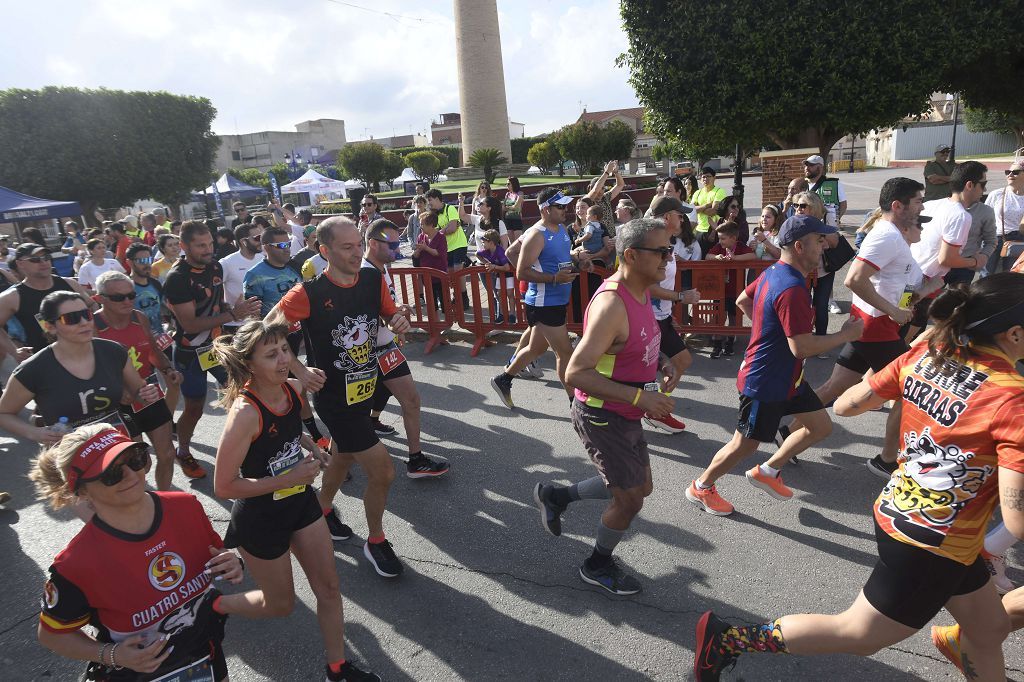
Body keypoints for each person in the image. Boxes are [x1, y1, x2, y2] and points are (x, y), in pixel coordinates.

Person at [694, 272, 1024, 682]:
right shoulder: (1012, 399)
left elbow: (848, 405)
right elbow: (1017, 521)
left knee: (989, 629)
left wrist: (917, 363)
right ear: (1013, 333)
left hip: (911, 516)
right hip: (932, 539)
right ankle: (726, 640)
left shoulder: (928, 355)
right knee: (860, 634)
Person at [211, 321, 381, 682]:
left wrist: (315, 449)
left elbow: (292, 432)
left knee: (330, 588)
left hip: (299, 503)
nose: (283, 359)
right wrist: (289, 478)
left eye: (285, 350)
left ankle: (337, 668)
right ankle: (215, 605)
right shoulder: (244, 414)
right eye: (271, 355)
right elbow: (224, 486)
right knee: (281, 605)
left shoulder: (290, 389)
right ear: (249, 364)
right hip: (260, 517)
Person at [33, 424, 248, 682]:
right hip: (136, 675)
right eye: (111, 473)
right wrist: (113, 655)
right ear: (81, 491)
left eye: (135, 460)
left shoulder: (186, 507)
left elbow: (218, 556)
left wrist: (232, 563)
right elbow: (51, 635)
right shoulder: (76, 565)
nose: (130, 475)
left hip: (205, 653)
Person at [533, 218, 677, 595]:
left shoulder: (644, 290)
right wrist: (640, 397)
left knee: (639, 487)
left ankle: (557, 496)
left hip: (625, 411)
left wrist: (661, 359)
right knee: (629, 499)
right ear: (631, 255)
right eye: (661, 251)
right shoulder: (612, 303)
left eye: (670, 248)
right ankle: (596, 564)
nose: (668, 257)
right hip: (602, 413)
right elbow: (577, 372)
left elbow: (635, 339)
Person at [685, 216, 863, 516]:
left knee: (820, 426)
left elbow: (744, 300)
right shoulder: (792, 288)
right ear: (799, 245)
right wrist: (845, 335)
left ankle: (768, 471)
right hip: (765, 382)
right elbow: (802, 347)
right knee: (743, 445)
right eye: (819, 241)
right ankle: (701, 487)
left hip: (789, 379)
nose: (824, 247)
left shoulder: (775, 272)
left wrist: (769, 331)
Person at [270, 216, 412, 579]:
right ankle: (376, 541)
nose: (357, 253)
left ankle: (322, 507)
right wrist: (298, 370)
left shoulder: (371, 279)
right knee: (383, 470)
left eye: (359, 245)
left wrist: (399, 320)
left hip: (362, 388)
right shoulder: (309, 292)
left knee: (342, 456)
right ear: (325, 250)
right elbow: (268, 331)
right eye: (347, 248)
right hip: (333, 397)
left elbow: (390, 314)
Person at [784, 179, 941, 476]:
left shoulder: (895, 236)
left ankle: (787, 432)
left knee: (835, 385)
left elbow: (894, 283)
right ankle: (887, 459)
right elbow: (854, 279)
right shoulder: (888, 236)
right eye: (918, 202)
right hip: (876, 326)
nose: (922, 207)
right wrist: (893, 310)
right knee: (910, 391)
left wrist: (928, 287)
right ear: (898, 206)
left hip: (871, 322)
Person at [164, 220, 262, 479]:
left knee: (243, 394)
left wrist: (237, 311)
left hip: (217, 347)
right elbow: (190, 323)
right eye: (200, 246)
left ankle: (250, 447)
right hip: (189, 352)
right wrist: (233, 313)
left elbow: (217, 306)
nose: (208, 250)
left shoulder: (215, 266)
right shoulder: (177, 279)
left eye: (209, 243)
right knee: (195, 406)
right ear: (184, 247)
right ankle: (183, 450)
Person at [0, 291, 160, 448]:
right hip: (71, 455)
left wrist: (146, 394)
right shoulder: (34, 369)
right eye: (72, 318)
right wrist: (34, 433)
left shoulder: (113, 351)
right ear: (50, 326)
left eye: (87, 314)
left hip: (117, 443)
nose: (84, 322)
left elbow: (139, 393)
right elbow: (4, 413)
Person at [362, 220, 450, 478]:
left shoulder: (383, 267)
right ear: (373, 244)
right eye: (391, 245)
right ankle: (335, 461)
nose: (396, 250)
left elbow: (388, 299)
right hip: (363, 357)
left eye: (397, 243)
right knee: (351, 416)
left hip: (386, 348)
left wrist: (397, 307)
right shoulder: (363, 272)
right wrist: (389, 317)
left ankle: (415, 460)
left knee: (411, 400)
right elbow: (360, 316)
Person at [491, 188, 590, 409]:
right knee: (564, 352)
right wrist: (553, 278)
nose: (566, 210)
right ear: (546, 209)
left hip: (555, 299)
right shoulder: (537, 234)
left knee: (535, 349)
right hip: (545, 302)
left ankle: (503, 380)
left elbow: (513, 254)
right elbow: (521, 272)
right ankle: (576, 403)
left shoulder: (561, 228)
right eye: (560, 206)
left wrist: (577, 260)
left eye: (565, 205)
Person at [92, 271, 181, 490]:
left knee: (168, 453)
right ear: (100, 298)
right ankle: (137, 503)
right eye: (118, 297)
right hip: (117, 401)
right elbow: (88, 368)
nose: (127, 301)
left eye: (131, 295)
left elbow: (151, 351)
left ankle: (164, 499)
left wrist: (168, 369)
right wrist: (115, 387)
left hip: (147, 390)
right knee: (140, 463)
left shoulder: (138, 317)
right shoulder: (92, 325)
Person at [905, 161, 989, 342]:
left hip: (908, 277)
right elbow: (946, 259)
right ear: (969, 185)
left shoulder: (933, 204)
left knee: (898, 327)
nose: (983, 190)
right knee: (904, 339)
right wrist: (976, 262)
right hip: (923, 283)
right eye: (983, 184)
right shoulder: (961, 215)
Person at [646, 196, 700, 433]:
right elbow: (646, 286)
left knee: (681, 361)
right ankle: (654, 410)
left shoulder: (667, 242)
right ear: (667, 217)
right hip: (646, 319)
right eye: (680, 214)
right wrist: (681, 297)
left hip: (661, 317)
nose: (683, 218)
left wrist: (669, 312)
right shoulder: (651, 245)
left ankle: (654, 408)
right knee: (645, 370)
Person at [0, 243, 94, 359]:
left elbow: (91, 307)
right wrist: (14, 350)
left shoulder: (70, 284)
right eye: (35, 259)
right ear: (20, 264)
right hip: (45, 361)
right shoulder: (13, 296)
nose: (43, 262)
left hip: (83, 353)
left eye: (46, 257)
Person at [705, 221, 755, 359]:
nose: (719, 241)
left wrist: (735, 258)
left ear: (733, 238)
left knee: (733, 317)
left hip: (736, 290)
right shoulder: (718, 247)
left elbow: (752, 255)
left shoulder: (740, 247)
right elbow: (707, 256)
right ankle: (717, 344)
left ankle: (730, 342)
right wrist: (716, 257)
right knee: (719, 316)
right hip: (719, 290)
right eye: (719, 238)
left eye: (722, 238)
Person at [219, 222, 265, 336]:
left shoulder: (263, 258)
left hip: (261, 321)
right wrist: (229, 310)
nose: (261, 241)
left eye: (262, 237)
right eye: (257, 238)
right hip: (236, 325)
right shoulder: (226, 263)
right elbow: (214, 291)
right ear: (243, 242)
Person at [984, 159, 1024, 275]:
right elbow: (985, 217)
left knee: (1010, 276)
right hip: (994, 238)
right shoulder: (997, 194)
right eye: (1008, 172)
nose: (1010, 175)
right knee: (986, 275)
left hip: (1018, 240)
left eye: (1015, 172)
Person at [945, 197, 997, 286]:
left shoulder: (985, 211)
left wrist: (982, 257)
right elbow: (912, 292)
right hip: (939, 265)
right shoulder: (914, 265)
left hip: (965, 266)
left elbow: (991, 241)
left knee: (959, 298)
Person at [426, 188, 468, 294]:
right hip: (446, 247)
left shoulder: (450, 209)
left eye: (430, 200)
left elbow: (453, 228)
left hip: (459, 245)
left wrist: (441, 231)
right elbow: (433, 234)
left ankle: (463, 297)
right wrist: (446, 228)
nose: (429, 203)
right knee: (450, 274)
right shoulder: (433, 215)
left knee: (458, 272)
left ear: (436, 199)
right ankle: (456, 296)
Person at [476, 229, 516, 324]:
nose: (482, 244)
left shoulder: (500, 251)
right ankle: (502, 314)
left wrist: (494, 266)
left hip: (508, 274)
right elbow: (477, 254)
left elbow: (506, 267)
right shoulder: (487, 251)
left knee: (510, 294)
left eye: (484, 242)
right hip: (499, 274)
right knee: (500, 294)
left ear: (491, 242)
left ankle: (512, 315)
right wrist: (487, 263)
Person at [413, 212, 448, 312]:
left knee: (444, 300)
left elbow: (438, 253)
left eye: (423, 224)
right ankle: (435, 322)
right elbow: (416, 255)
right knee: (432, 303)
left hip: (440, 274)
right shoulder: (421, 237)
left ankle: (447, 321)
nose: (421, 226)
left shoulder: (440, 237)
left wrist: (426, 248)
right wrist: (418, 250)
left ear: (432, 225)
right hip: (427, 275)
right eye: (420, 224)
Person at [585, 160, 626, 238]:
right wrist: (606, 172)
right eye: (600, 188)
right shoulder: (588, 200)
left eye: (603, 188)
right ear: (590, 188)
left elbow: (620, 185)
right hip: (597, 241)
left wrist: (616, 172)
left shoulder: (606, 197)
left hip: (611, 237)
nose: (601, 191)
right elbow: (595, 190)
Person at [692, 166, 728, 253]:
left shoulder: (719, 191)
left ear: (714, 178)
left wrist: (699, 208)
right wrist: (707, 205)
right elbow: (692, 209)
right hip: (698, 230)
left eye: (708, 176)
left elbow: (713, 211)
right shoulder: (697, 192)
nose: (705, 179)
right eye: (703, 177)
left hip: (712, 230)